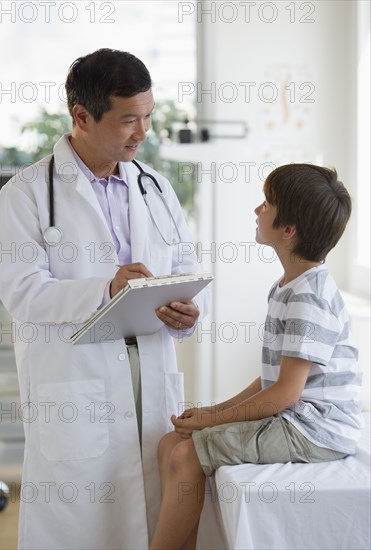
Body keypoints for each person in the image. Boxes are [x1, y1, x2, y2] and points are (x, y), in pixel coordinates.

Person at [0, 48, 210, 550]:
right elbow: (23, 292)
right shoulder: (25, 194)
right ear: (82, 117)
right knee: (79, 526)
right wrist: (107, 289)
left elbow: (184, 268)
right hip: (77, 385)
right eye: (129, 119)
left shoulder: (155, 187)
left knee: (152, 515)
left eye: (149, 116)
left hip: (149, 376)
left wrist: (189, 312)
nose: (144, 132)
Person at [150, 164, 364, 550]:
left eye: (267, 203)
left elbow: (285, 395)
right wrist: (212, 410)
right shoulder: (287, 287)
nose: (256, 210)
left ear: (288, 230)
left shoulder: (307, 297)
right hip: (296, 417)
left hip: (315, 430)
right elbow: (271, 383)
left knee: (186, 456)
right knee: (170, 443)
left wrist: (212, 419)